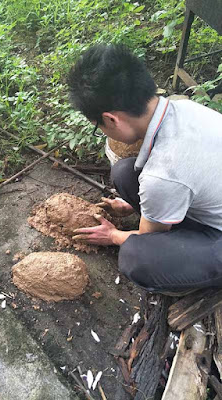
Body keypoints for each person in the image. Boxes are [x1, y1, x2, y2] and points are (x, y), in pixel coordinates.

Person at [67, 43, 222, 295]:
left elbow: (146, 235)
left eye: (99, 126)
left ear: (111, 119)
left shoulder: (163, 173)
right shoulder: (184, 107)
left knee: (136, 256)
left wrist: (114, 235)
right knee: (124, 173)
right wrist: (135, 205)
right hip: (211, 201)